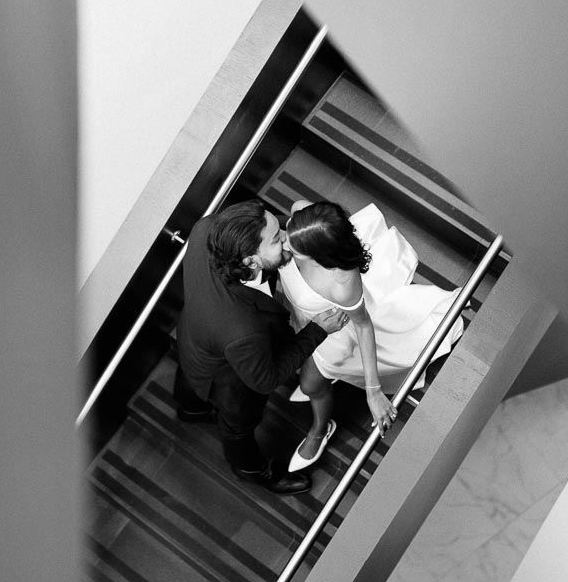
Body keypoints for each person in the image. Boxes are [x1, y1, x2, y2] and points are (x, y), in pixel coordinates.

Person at [174, 199, 349, 495]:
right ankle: (253, 471)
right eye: (277, 239)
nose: (285, 237)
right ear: (250, 261)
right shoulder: (242, 329)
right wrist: (318, 330)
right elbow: (266, 379)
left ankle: (190, 411)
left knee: (190, 379)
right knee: (237, 428)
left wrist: (306, 231)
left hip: (192, 336)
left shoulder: (207, 229)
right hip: (229, 377)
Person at [278, 198, 465, 471]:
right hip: (301, 317)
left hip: (334, 334)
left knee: (310, 384)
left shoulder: (342, 284)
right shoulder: (300, 216)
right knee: (306, 369)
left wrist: (373, 391)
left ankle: (320, 429)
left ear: (320, 257)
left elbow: (364, 326)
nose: (284, 242)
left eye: (292, 245)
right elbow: (296, 207)